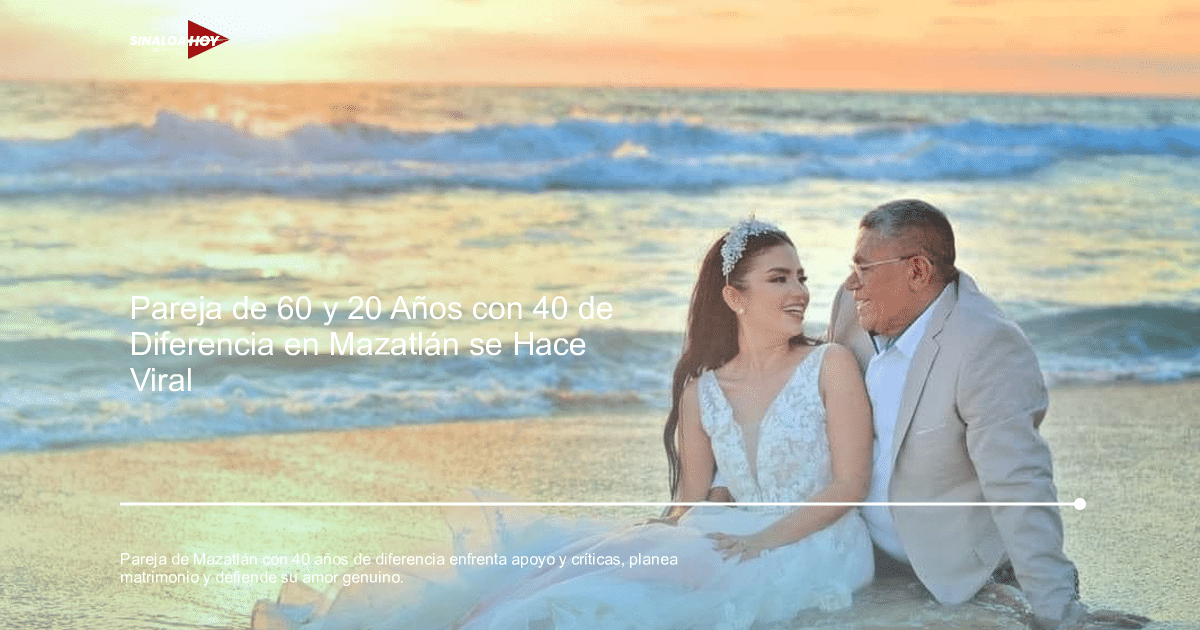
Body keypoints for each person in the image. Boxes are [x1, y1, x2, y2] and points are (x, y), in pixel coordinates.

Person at [250, 219, 875, 630]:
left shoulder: (830, 365)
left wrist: (761, 541)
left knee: (618, 598)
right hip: (728, 528)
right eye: (778, 278)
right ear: (734, 296)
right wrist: (656, 534)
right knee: (582, 564)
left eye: (800, 278)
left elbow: (848, 485)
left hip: (811, 544)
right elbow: (690, 499)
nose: (797, 291)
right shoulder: (702, 388)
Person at [825, 199, 1149, 630]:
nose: (852, 283)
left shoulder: (987, 346)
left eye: (864, 268)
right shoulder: (851, 308)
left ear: (917, 271)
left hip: (959, 574)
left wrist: (1059, 613)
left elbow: (1019, 485)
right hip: (865, 558)